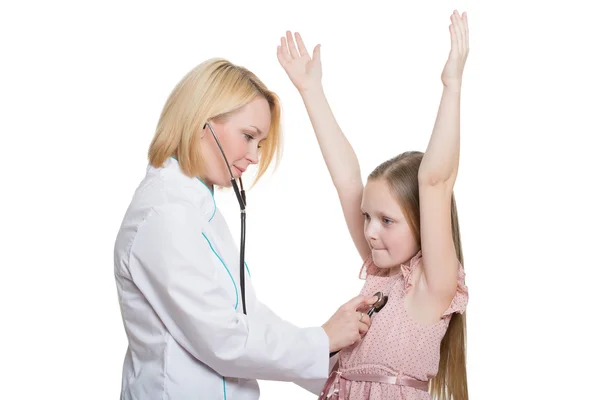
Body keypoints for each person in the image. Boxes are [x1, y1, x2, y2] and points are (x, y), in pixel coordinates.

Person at [113, 58, 379, 400]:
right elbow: (222, 339)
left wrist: (333, 354)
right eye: (249, 136)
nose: (254, 157)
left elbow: (247, 318)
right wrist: (323, 339)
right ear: (201, 123)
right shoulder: (165, 215)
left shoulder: (196, 210)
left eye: (260, 143)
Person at [277, 10, 470, 400]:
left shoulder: (432, 288)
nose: (369, 231)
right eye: (367, 217)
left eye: (387, 220)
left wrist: (452, 85)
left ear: (423, 224)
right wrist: (311, 91)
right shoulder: (379, 272)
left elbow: (435, 181)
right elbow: (347, 179)